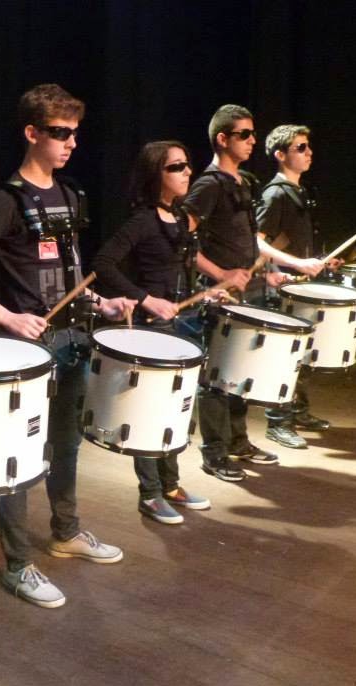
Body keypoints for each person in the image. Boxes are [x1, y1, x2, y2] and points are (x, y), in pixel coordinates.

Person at [0, 84, 131, 609]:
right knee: (17, 455)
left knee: (65, 445)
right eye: (60, 133)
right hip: (27, 349)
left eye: (75, 133)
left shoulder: (69, 195)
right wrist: (5, 317)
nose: (71, 143)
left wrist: (102, 303)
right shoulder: (5, 201)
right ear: (31, 133)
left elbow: (69, 273)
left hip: (72, 339)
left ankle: (65, 532)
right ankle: (18, 563)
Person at [182, 104, 324, 482]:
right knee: (217, 378)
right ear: (222, 139)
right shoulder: (209, 185)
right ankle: (214, 452)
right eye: (243, 134)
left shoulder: (243, 181)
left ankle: (238, 441)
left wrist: (269, 272)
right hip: (219, 295)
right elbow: (180, 238)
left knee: (240, 373)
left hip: (249, 290)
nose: (251, 141)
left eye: (252, 134)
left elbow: (250, 242)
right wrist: (220, 275)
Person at [93, 140, 218, 524]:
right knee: (150, 411)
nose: (187, 172)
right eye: (176, 167)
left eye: (186, 164)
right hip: (156, 327)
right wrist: (145, 299)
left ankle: (171, 485)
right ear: (156, 175)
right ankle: (149, 494)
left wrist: (210, 288)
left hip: (184, 323)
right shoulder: (143, 220)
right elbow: (103, 264)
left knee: (176, 409)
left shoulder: (179, 217)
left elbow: (182, 266)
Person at [257, 125, 333, 449]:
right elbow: (258, 243)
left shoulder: (299, 191)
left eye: (308, 146)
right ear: (280, 155)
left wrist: (319, 261)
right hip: (281, 287)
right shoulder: (275, 194)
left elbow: (293, 243)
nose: (309, 152)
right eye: (300, 147)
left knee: (302, 355)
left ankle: (297, 411)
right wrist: (287, 267)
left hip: (299, 285)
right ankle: (278, 423)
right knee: (284, 358)